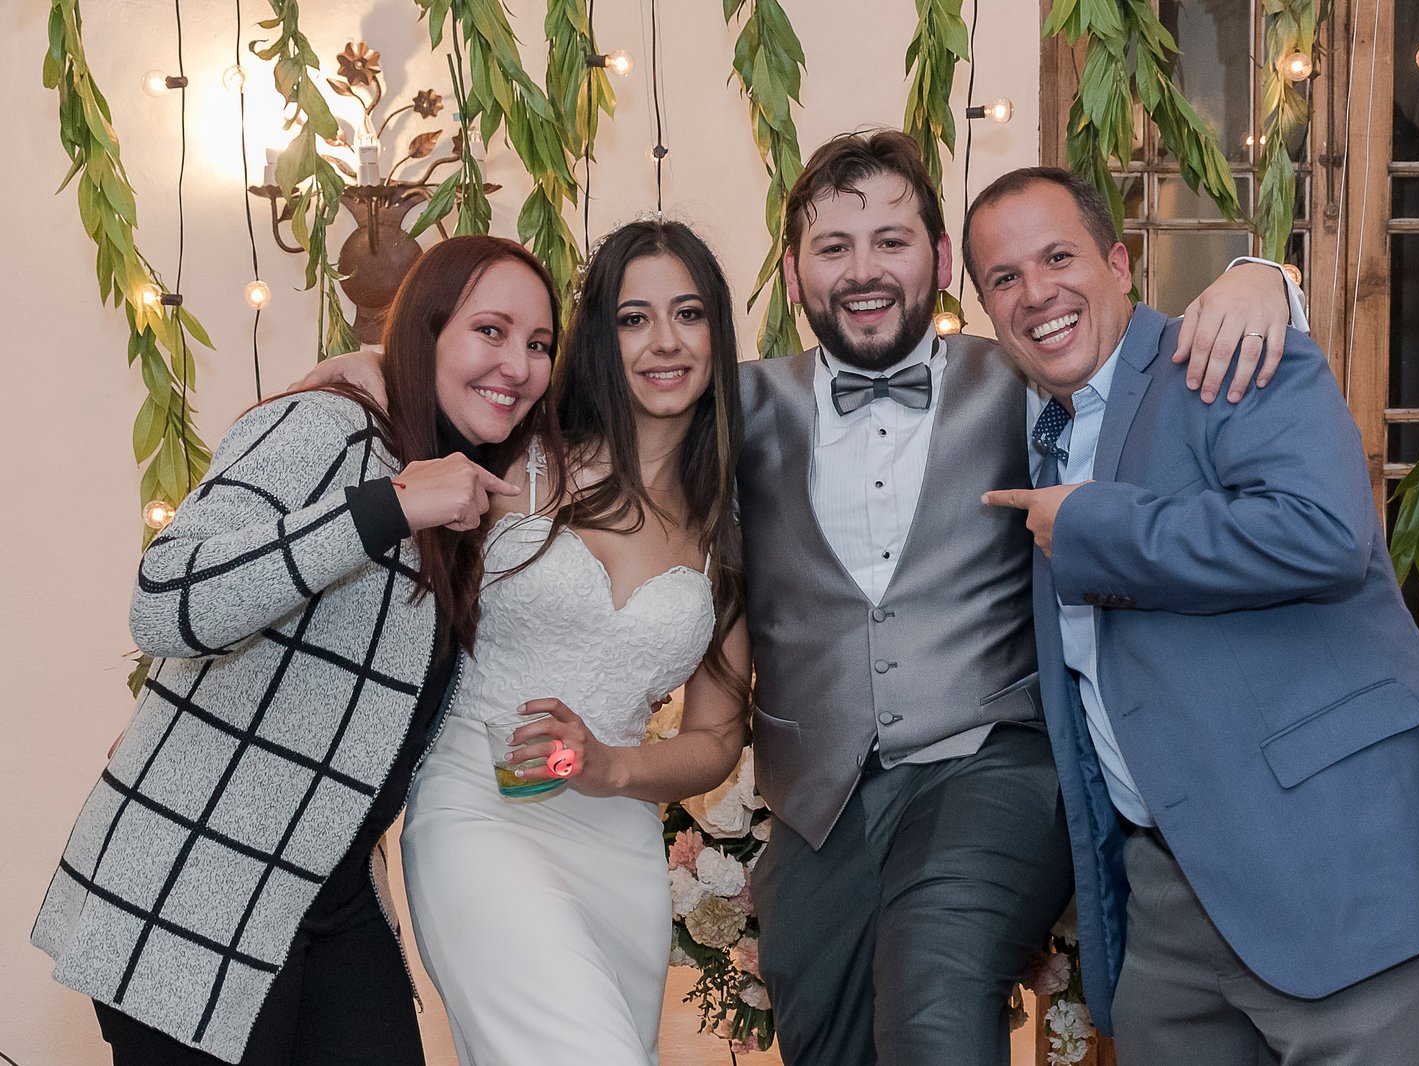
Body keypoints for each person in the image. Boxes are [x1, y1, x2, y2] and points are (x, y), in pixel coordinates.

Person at [738, 129, 1306, 1066]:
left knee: (935, 1003)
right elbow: (594, 428)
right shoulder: (741, 408)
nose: (863, 270)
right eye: (833, 248)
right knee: (825, 1043)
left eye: (892, 240)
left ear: (943, 261)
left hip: (992, 765)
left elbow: (1163, 356)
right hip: (817, 800)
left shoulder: (1027, 374)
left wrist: (1265, 276)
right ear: (795, 274)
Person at [970, 166, 1419, 1065]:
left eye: (1057, 257)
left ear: (1119, 263)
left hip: (1345, 866)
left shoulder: (1223, 350)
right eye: (1004, 278)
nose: (1036, 291)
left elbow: (1324, 535)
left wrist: (1094, 521)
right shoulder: (1031, 427)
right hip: (1170, 905)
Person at [32, 234, 561, 1065]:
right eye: (490, 330)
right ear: (422, 335)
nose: (518, 364)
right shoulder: (328, 428)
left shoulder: (467, 491)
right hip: (195, 895)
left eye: (538, 344)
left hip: (335, 895)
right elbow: (166, 598)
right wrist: (385, 504)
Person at [300, 218, 751, 1066]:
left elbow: (716, 737)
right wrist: (360, 371)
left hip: (615, 848)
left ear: (717, 336)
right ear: (597, 339)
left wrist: (615, 767)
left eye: (688, 314)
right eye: (632, 317)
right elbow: (349, 474)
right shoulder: (519, 458)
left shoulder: (727, 520)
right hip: (478, 810)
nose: (663, 341)